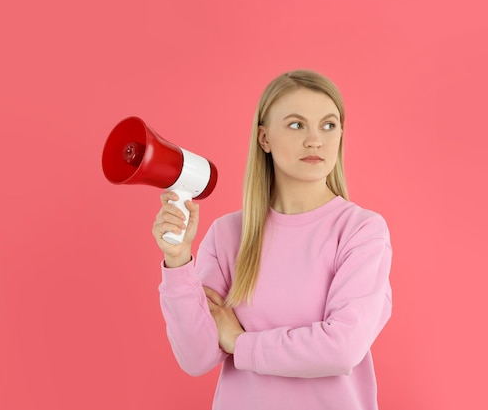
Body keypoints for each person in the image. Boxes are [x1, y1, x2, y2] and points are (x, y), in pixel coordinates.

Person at [152, 69, 392, 410]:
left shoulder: (361, 231)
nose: (315, 140)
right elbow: (196, 358)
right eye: (296, 125)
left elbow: (341, 349)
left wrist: (240, 342)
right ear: (264, 138)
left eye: (328, 125)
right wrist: (177, 261)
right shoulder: (227, 234)